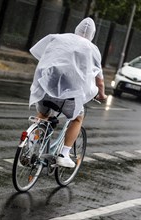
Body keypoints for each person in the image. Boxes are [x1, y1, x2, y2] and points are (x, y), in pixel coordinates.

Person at [29, 17, 107, 168]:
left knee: (44, 115)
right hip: (69, 98)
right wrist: (102, 95)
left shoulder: (58, 38)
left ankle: (29, 145)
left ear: (76, 29)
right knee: (77, 117)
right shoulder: (92, 49)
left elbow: (43, 56)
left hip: (45, 89)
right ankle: (64, 154)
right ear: (92, 34)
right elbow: (100, 81)